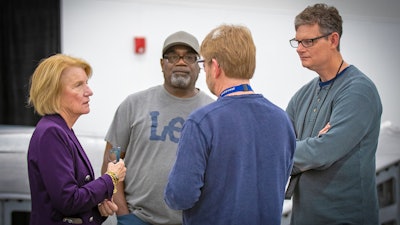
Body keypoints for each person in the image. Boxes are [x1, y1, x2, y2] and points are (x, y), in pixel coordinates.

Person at [164, 24, 296, 225]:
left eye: (204, 64)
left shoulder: (202, 121)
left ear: (215, 67)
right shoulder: (282, 120)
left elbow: (180, 195)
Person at [101, 31, 214, 225]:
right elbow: (112, 161)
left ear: (199, 66)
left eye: (189, 57)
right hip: (137, 219)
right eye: (172, 56)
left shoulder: (213, 113)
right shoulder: (134, 105)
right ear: (162, 64)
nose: (181, 62)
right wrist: (124, 216)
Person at [285, 3, 383, 224]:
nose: (300, 48)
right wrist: (313, 143)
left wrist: (315, 146)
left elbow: (321, 153)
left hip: (344, 218)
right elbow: (278, 141)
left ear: (333, 40)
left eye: (308, 41)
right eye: (297, 41)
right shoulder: (302, 96)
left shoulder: (359, 91)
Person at [27, 54, 127, 225]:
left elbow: (71, 200)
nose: (89, 92)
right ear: (53, 92)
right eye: (78, 85)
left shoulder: (62, 130)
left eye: (86, 83)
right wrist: (111, 178)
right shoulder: (51, 133)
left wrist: (98, 209)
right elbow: (69, 201)